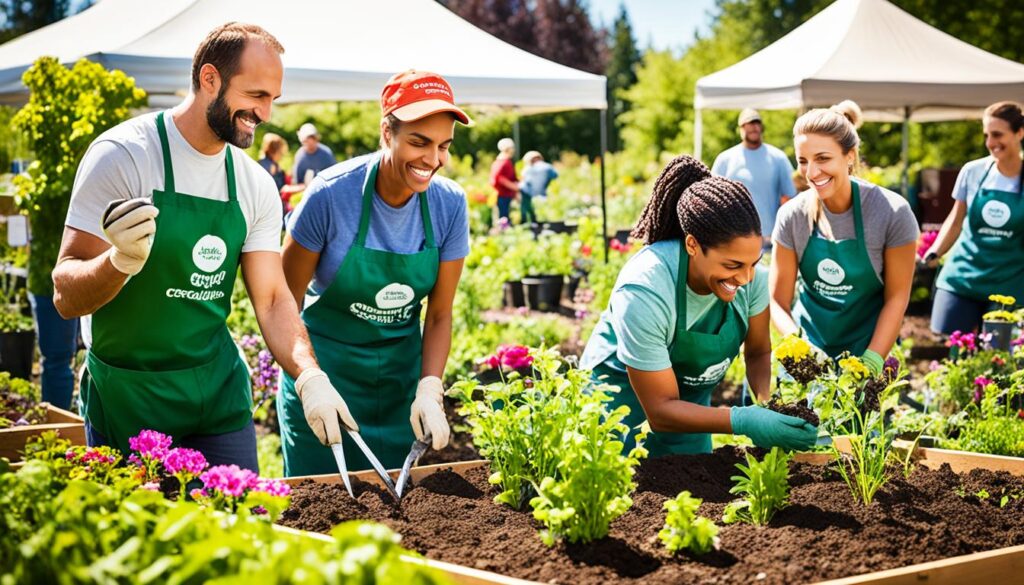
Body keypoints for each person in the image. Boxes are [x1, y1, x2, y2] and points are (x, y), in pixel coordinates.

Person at [52, 23, 352, 471]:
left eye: (272, 98)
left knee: (239, 527)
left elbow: (271, 300)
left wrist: (309, 374)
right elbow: (65, 295)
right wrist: (118, 262)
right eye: (255, 95)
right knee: (140, 537)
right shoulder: (126, 155)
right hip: (128, 395)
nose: (266, 113)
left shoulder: (254, 185)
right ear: (210, 78)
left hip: (215, 396)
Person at [278, 70, 472, 475]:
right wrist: (309, 380)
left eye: (443, 146)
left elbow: (439, 314)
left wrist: (430, 387)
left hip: (400, 387)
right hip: (329, 378)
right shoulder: (332, 195)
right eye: (419, 142)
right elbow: (283, 300)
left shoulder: (449, 205)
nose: (432, 160)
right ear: (387, 132)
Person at [579, 154, 818, 456]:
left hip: (689, 409)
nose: (745, 277)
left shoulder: (752, 281)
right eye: (732, 264)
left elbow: (758, 351)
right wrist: (745, 420)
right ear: (693, 245)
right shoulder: (646, 289)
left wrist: (765, 407)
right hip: (620, 405)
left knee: (695, 492)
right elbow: (661, 411)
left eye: (753, 263)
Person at [770, 101, 918, 376]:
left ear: (850, 156)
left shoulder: (891, 212)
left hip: (868, 346)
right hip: (808, 350)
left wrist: (872, 361)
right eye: (803, 161)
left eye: (823, 159)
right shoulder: (792, 216)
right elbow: (777, 301)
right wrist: (801, 349)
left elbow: (897, 298)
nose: (812, 173)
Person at [923, 102, 1024, 334]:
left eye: (998, 134)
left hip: (1011, 283)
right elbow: (956, 220)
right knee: (956, 352)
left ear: (1020, 133)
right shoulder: (973, 171)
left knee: (1002, 359)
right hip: (964, 277)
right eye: (987, 135)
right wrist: (934, 252)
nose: (990, 143)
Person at [712, 108, 795, 249]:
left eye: (756, 123)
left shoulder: (778, 158)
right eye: (748, 124)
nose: (753, 127)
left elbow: (790, 198)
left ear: (761, 127)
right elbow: (713, 200)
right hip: (734, 237)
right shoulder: (725, 160)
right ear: (740, 128)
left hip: (770, 239)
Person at [287, 122, 335, 193]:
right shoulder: (300, 156)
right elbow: (297, 181)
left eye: (312, 139)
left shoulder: (326, 154)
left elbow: (333, 175)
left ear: (316, 139)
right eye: (306, 141)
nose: (310, 143)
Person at [520, 150, 557, 225]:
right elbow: (555, 176)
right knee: (541, 210)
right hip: (541, 192)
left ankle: (526, 223)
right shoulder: (547, 166)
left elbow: (523, 179)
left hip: (527, 191)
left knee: (527, 209)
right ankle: (540, 224)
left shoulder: (527, 168)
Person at [490, 137, 518, 223]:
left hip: (507, 194)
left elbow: (512, 177)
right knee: (503, 218)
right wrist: (514, 186)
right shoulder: (503, 161)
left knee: (506, 217)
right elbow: (498, 178)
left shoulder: (505, 161)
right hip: (503, 194)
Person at [257, 132, 288, 210]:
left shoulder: (263, 162)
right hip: (270, 206)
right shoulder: (271, 166)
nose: (282, 154)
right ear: (276, 151)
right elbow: (275, 189)